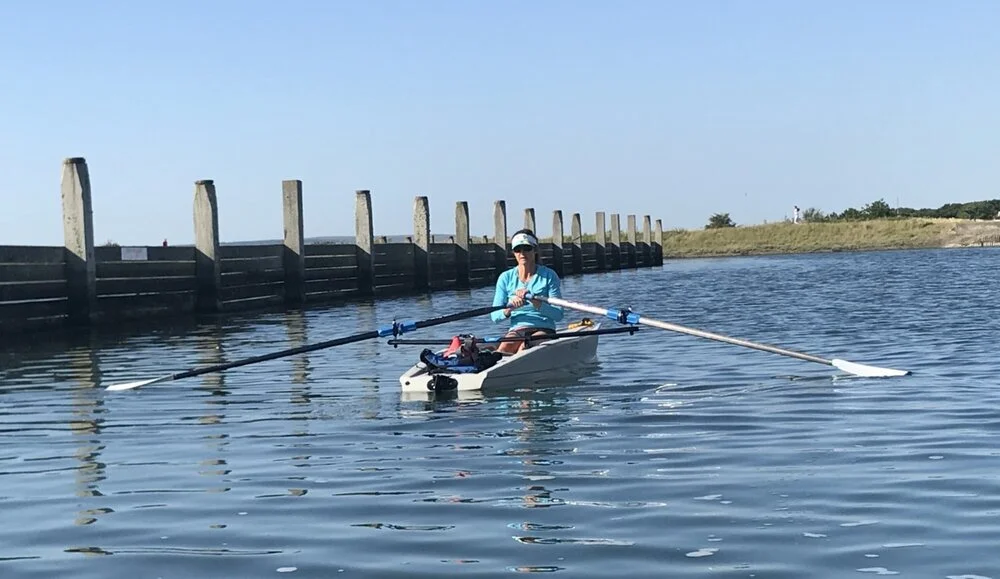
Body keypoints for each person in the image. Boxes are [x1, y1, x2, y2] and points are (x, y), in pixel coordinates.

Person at [490, 229, 564, 354]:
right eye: (518, 249)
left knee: (524, 348)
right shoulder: (505, 277)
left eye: (527, 248)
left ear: (535, 250)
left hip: (544, 328)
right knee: (503, 349)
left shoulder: (549, 275)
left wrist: (537, 303)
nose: (522, 253)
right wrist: (510, 308)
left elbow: (558, 315)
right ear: (513, 253)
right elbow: (494, 316)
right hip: (518, 329)